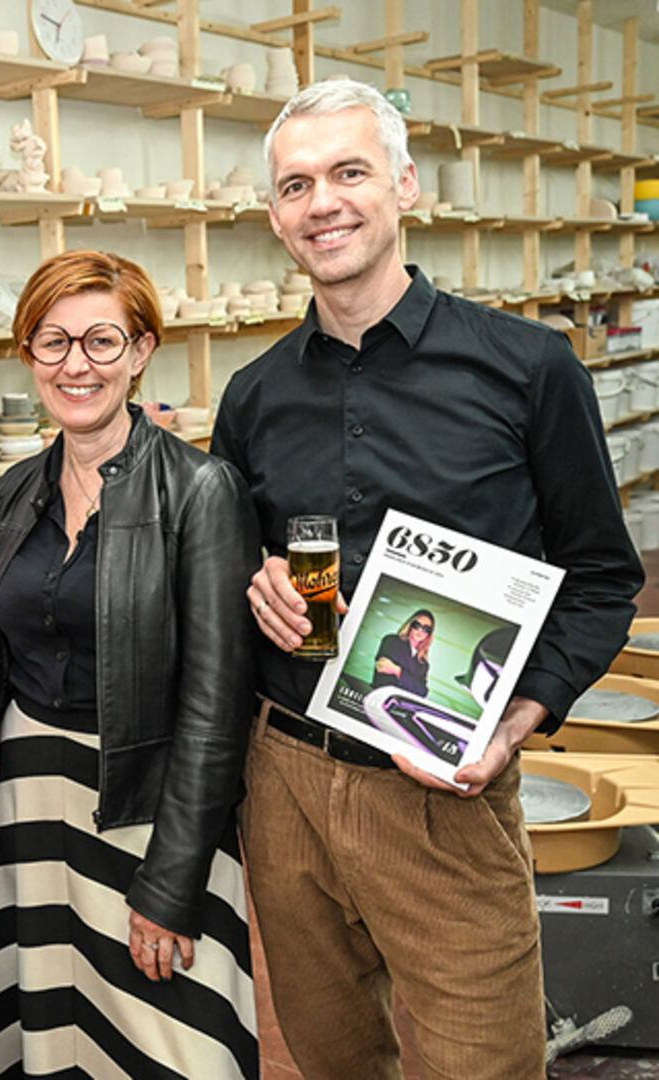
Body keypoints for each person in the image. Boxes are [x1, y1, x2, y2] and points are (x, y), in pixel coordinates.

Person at [212, 79, 644, 1080]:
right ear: (275, 216)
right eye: (294, 184)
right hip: (284, 779)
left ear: (403, 185)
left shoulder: (529, 369)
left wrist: (517, 718)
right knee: (324, 1060)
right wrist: (254, 583)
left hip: (443, 788)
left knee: (479, 1063)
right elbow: (235, 561)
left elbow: (597, 577)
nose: (321, 201)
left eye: (348, 172)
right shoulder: (253, 395)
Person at [0, 249, 261, 1080]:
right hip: (30, 798)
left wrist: (171, 885)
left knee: (171, 1044)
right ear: (29, 355)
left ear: (140, 353)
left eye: (102, 341)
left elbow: (218, 704)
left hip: (148, 801)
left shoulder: (202, 490)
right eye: (53, 341)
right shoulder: (13, 490)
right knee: (47, 1029)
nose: (77, 365)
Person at [372, 609, 434, 695]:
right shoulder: (391, 641)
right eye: (417, 625)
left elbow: (423, 692)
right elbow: (382, 670)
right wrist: (413, 683)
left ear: (429, 634)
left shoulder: (423, 664)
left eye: (426, 629)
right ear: (410, 625)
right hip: (381, 697)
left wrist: (397, 671)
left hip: (403, 705)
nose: (420, 631)